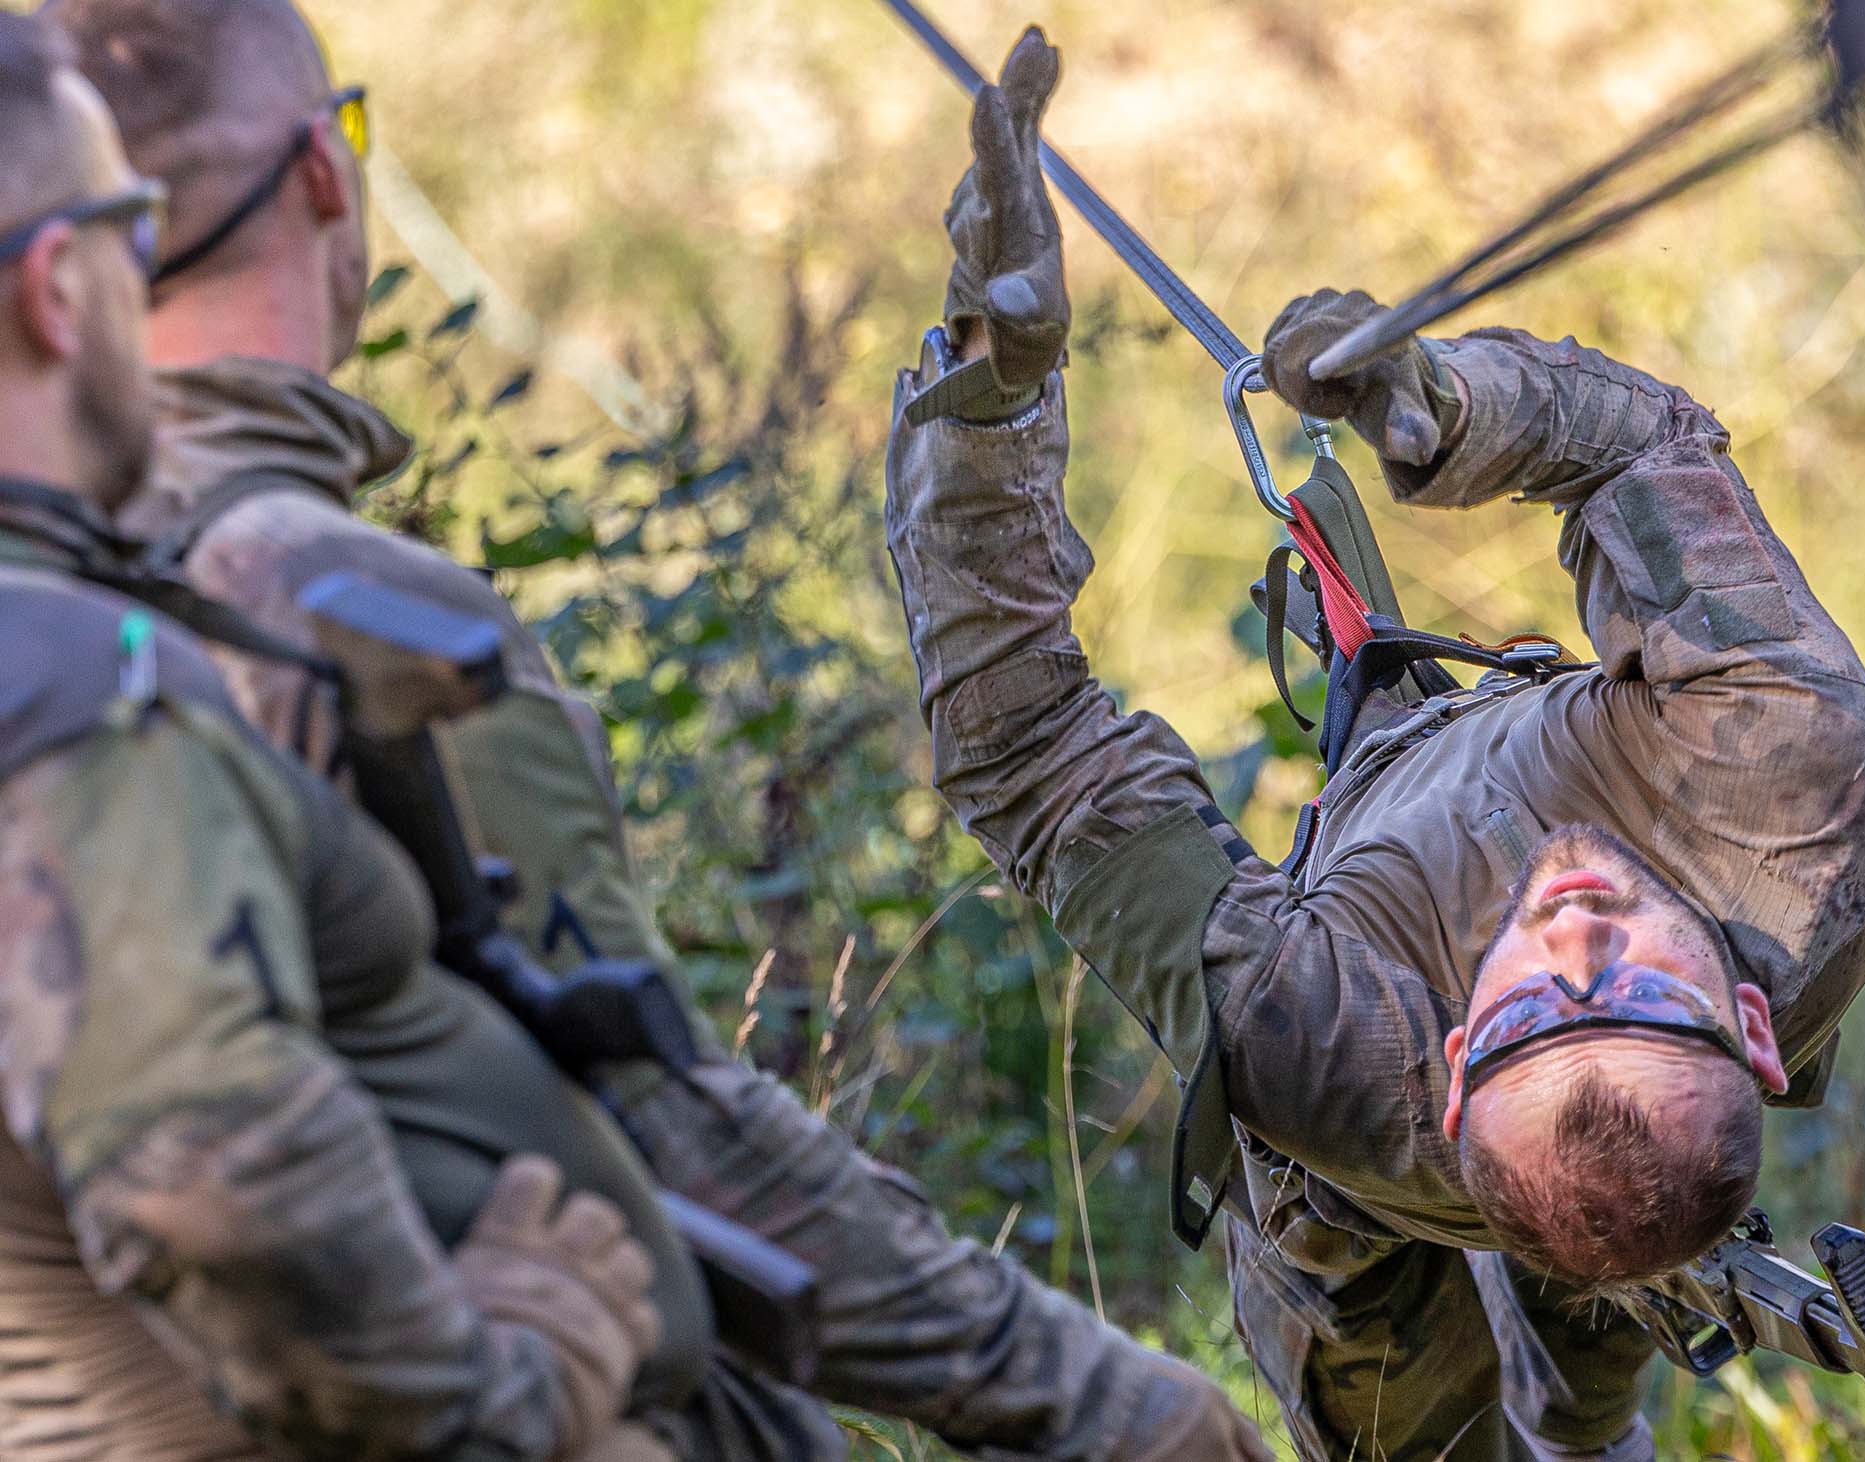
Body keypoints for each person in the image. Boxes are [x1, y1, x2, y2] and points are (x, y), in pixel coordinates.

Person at [48, 1, 1271, 1458]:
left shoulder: (59, 595)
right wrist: (1113, 1399)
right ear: (327, 173)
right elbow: (666, 1118)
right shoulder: (327, 611)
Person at [885, 28, 1865, 1462]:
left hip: (1372, 1170)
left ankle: (1588, 1400)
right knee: (1450, 1391)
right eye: (1634, 988)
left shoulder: (1319, 1044)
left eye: (1525, 1011)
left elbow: (1030, 755)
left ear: (1445, 1067)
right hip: (1460, 1170)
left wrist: (989, 394)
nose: (1572, 933)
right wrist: (1441, 401)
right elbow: (1645, 449)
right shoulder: (1797, 775)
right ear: (1748, 1029)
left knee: (1571, 1319)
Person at [0, 15, 678, 1460]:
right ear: (61, 285)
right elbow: (205, 1177)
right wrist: (513, 1382)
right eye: (124, 223)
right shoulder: (82, 687)